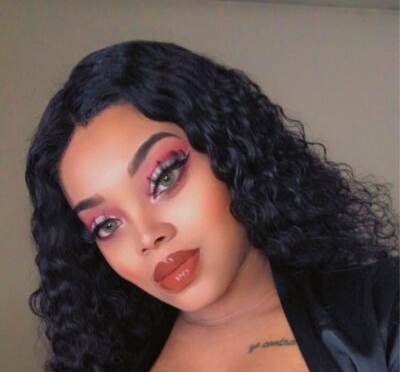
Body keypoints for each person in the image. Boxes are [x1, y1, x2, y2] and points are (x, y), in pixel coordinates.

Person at [26, 41, 398, 372]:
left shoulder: (383, 310)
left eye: (165, 178)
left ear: (231, 154)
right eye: (107, 225)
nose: (148, 236)